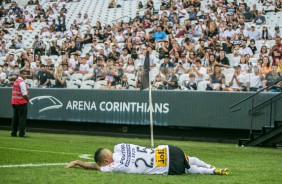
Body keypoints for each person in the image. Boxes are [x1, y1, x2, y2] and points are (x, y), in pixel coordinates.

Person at [66, 143, 229, 175]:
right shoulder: (120, 146)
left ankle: (213, 171)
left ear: (106, 161)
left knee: (187, 169)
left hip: (166, 166)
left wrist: (78, 162)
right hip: (168, 149)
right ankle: (210, 166)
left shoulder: (116, 167)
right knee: (189, 159)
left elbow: (95, 167)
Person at [11, 70, 29, 137]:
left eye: (26, 74)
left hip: (14, 102)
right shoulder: (22, 83)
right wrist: (28, 100)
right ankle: (21, 134)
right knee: (22, 119)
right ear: (21, 74)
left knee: (15, 118)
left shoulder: (16, 81)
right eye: (24, 74)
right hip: (21, 103)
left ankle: (13, 133)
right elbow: (24, 94)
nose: (26, 75)